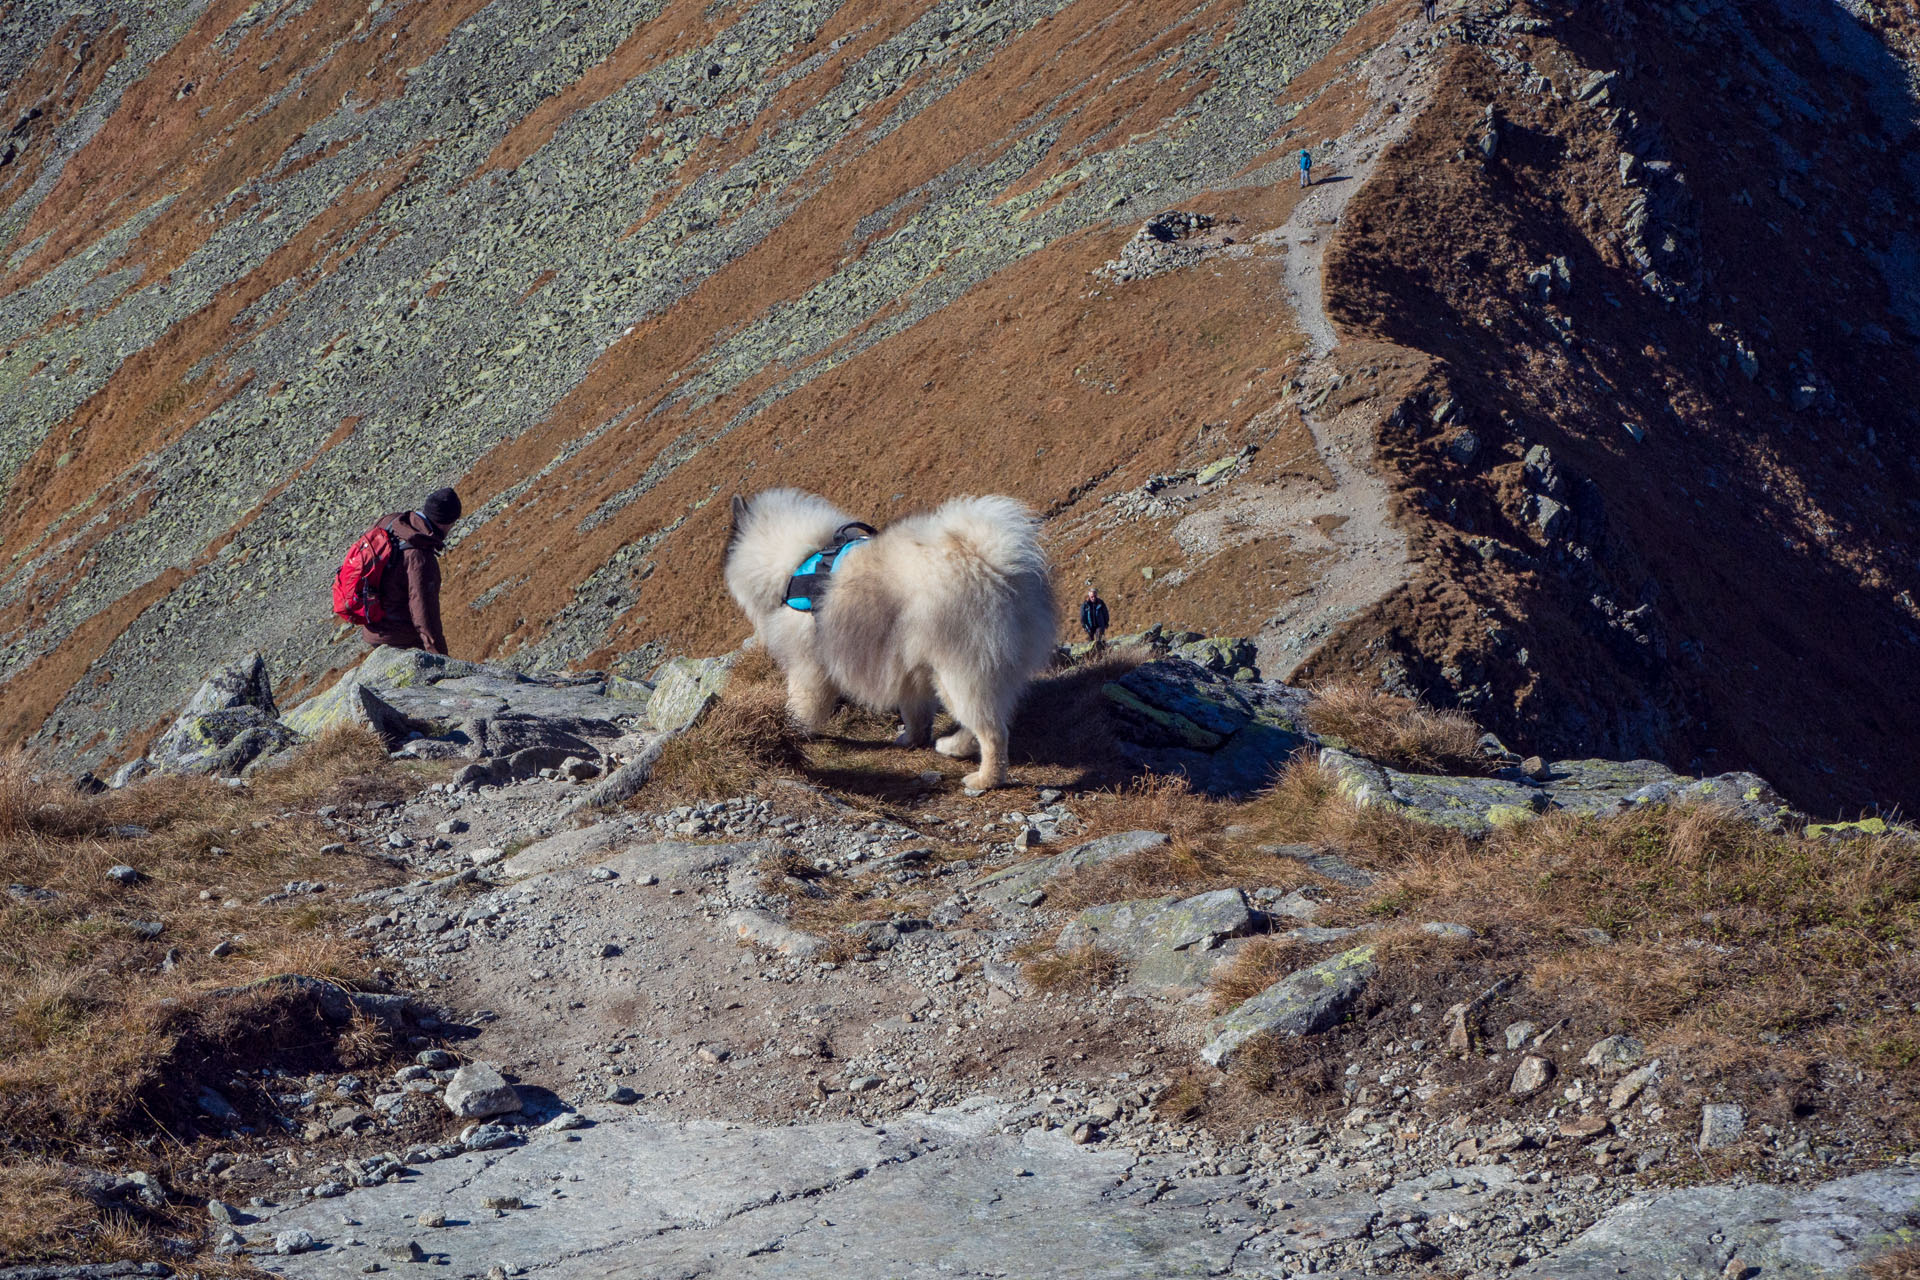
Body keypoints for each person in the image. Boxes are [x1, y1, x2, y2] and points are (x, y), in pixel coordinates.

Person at [361, 487, 460, 656]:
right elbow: (423, 613)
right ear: (446, 523)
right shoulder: (420, 556)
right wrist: (441, 658)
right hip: (398, 637)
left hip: (372, 625)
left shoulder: (390, 522)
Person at [1079, 587, 1110, 652]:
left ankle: (1101, 653)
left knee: (1099, 640)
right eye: (1092, 597)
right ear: (1089, 596)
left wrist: (1106, 623)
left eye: (1095, 596)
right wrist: (1084, 626)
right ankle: (1092, 656)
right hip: (1089, 626)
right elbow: (1082, 616)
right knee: (1091, 642)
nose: (1093, 598)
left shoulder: (1101, 603)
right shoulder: (1085, 605)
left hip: (1099, 625)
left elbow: (1105, 613)